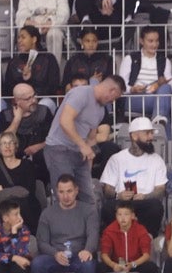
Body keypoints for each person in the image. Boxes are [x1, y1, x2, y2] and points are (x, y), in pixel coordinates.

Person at [45, 77, 123, 206]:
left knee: (89, 199)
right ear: (112, 90)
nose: (112, 101)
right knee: (67, 196)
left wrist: (88, 166)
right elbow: (65, 121)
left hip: (79, 153)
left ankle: (89, 226)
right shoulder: (81, 93)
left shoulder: (100, 110)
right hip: (59, 148)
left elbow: (91, 138)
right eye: (114, 98)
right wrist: (82, 145)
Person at [31, 175, 100, 273]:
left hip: (79, 255)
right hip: (55, 255)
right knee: (37, 264)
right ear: (56, 192)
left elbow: (93, 233)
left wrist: (88, 250)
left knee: (88, 265)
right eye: (61, 192)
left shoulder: (89, 210)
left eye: (69, 191)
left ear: (76, 190)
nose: (66, 196)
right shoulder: (47, 213)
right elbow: (42, 242)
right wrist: (55, 253)